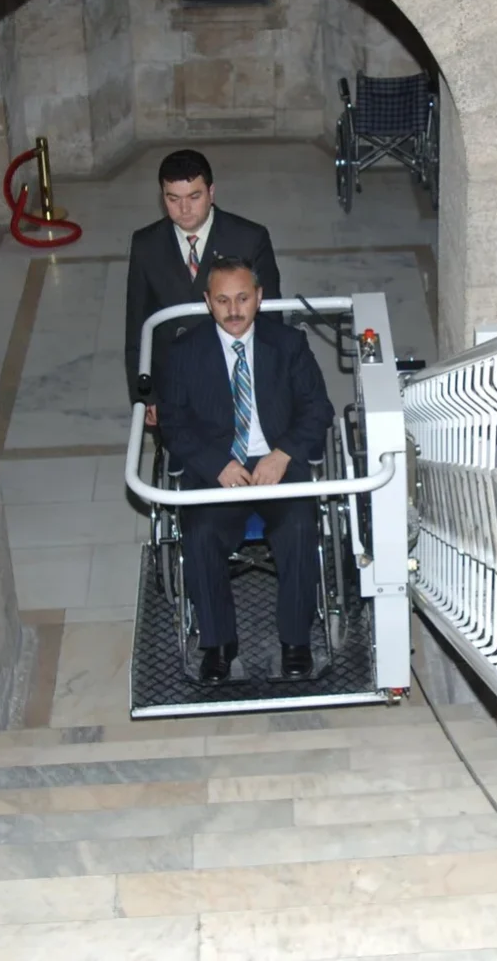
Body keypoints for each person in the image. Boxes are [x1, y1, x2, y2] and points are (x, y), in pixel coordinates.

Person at [157, 256, 334, 684]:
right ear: (207, 301)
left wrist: (282, 453)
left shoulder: (288, 345)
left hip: (277, 461)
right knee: (200, 534)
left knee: (298, 526)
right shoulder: (184, 353)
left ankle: (296, 641)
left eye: (242, 298)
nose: (233, 310)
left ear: (259, 297)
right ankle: (218, 644)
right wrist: (216, 464)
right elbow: (173, 424)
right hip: (219, 466)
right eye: (222, 300)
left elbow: (318, 408)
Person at [124, 149, 281, 424]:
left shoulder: (249, 239)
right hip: (173, 380)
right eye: (173, 199)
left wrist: (266, 385)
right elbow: (137, 326)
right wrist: (145, 395)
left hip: (235, 376)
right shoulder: (146, 245)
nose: (184, 209)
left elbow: (271, 319)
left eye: (194, 197)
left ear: (211, 192)